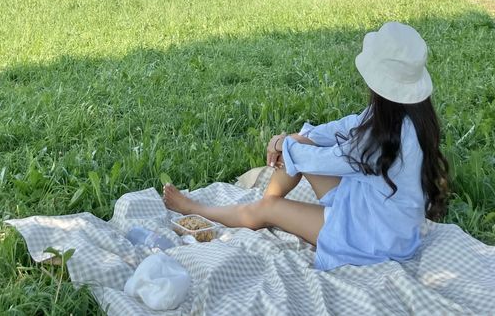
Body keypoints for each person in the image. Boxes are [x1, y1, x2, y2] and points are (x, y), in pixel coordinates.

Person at [162, 22, 449, 270]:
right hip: (377, 216)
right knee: (299, 144)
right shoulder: (407, 118)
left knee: (289, 166)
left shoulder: (383, 137)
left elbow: (329, 160)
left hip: (370, 239)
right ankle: (265, 204)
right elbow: (343, 126)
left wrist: (281, 143)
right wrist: (296, 137)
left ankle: (231, 209)